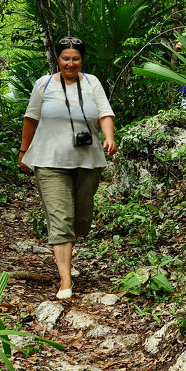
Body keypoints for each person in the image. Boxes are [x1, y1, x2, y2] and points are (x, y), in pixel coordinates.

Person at [19, 37, 117, 300]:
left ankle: (68, 256)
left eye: (75, 58)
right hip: (50, 160)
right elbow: (31, 118)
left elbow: (105, 114)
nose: (70, 63)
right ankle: (65, 281)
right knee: (60, 218)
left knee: (81, 218)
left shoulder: (92, 82)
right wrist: (23, 151)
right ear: (58, 59)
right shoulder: (45, 84)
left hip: (86, 159)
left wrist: (109, 136)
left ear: (81, 59)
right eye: (65, 58)